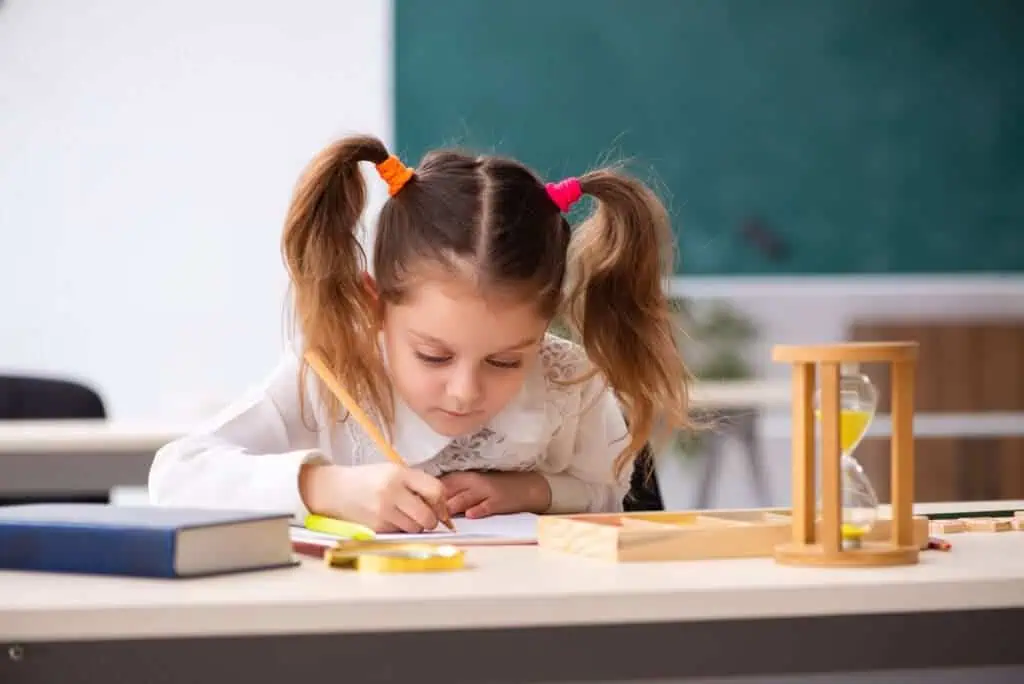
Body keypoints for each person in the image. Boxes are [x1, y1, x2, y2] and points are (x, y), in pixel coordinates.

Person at [148, 134, 693, 532]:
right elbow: (176, 477)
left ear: (546, 322)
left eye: (505, 362)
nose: (464, 392)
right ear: (374, 303)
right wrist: (327, 488)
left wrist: (528, 491)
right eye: (433, 355)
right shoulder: (333, 369)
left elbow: (613, 496)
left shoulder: (568, 378)